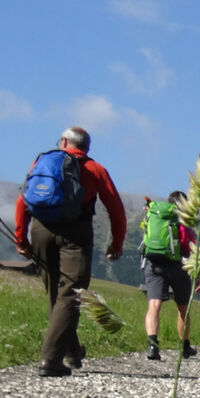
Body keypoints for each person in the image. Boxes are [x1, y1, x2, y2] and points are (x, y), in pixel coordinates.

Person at [13, 126, 125, 377]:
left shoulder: (42, 161)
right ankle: (50, 360)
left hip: (41, 230)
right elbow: (116, 210)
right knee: (71, 295)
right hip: (76, 235)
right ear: (86, 147)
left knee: (56, 294)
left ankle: (72, 352)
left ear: (64, 141)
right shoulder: (95, 169)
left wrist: (20, 236)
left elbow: (23, 199)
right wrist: (116, 244)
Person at [140, 191, 200, 361]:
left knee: (154, 305)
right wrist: (197, 272)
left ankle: (152, 345)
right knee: (182, 308)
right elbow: (190, 246)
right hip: (178, 265)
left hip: (154, 263)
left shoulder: (155, 214)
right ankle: (185, 346)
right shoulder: (183, 220)